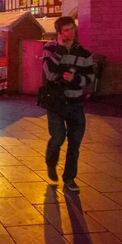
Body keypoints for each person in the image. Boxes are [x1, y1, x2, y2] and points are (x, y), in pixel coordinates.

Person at [43, 16, 94, 192]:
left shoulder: (84, 53)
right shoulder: (50, 49)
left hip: (76, 103)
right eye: (67, 30)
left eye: (73, 28)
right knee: (58, 138)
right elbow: (49, 74)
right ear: (59, 32)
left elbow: (90, 78)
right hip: (57, 103)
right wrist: (61, 51)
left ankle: (70, 178)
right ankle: (51, 161)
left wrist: (75, 79)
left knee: (74, 144)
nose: (71, 32)